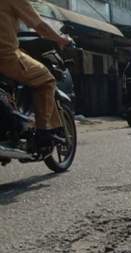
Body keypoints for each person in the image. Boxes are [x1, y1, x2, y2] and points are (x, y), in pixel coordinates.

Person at [0, 0, 72, 145]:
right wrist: (61, 39)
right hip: (5, 56)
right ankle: (43, 131)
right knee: (46, 80)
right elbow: (40, 26)